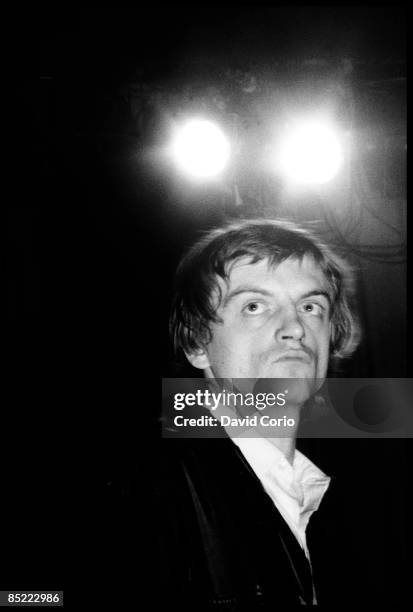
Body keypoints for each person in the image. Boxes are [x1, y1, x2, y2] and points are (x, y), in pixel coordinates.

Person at [154, 218, 361, 609]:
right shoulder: (146, 488)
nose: (295, 328)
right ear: (198, 343)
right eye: (254, 306)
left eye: (311, 306)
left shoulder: (335, 500)